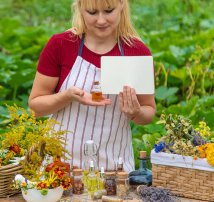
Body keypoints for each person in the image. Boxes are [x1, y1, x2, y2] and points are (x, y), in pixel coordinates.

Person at [28, 0, 156, 172]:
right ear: (80, 9)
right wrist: (68, 96)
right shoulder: (61, 45)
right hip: (59, 167)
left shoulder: (137, 52)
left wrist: (137, 112)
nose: (101, 20)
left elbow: (149, 111)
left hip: (114, 168)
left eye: (109, 11)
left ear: (121, 5)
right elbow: (36, 107)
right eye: (92, 12)